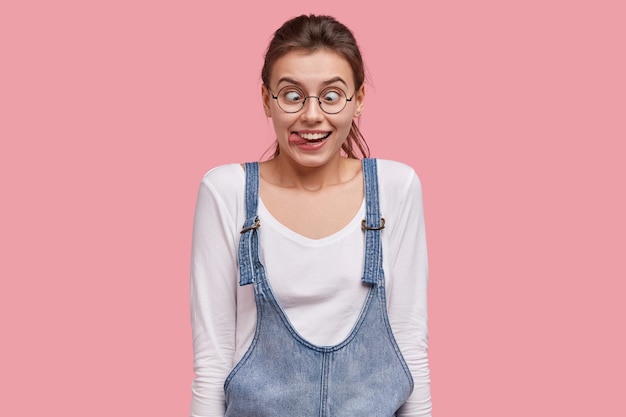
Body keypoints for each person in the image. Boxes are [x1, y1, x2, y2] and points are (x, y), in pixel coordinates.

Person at [190, 14, 431, 416]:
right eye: (292, 95)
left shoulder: (396, 188)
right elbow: (212, 361)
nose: (312, 116)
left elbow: (410, 344)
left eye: (332, 95)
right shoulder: (226, 191)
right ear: (267, 100)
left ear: (359, 100)